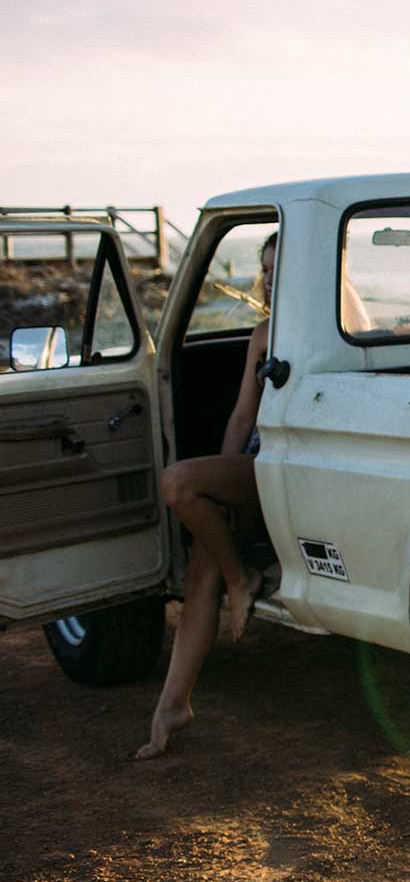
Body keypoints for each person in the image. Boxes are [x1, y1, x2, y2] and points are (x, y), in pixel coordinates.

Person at [135, 234, 278, 759]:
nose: (267, 279)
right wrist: (223, 488)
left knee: (176, 482)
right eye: (263, 269)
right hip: (255, 467)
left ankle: (241, 578)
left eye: (278, 268)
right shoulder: (263, 333)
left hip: (287, 468)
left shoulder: (327, 329)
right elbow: (243, 415)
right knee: (201, 564)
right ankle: (172, 706)